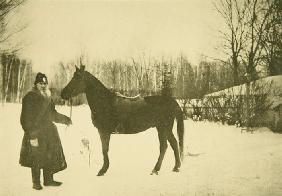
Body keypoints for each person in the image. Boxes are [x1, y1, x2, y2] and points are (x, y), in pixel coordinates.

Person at [19, 72, 72, 190]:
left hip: (49, 132)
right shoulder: (30, 96)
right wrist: (32, 135)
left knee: (49, 155)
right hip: (35, 132)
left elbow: (52, 114)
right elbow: (25, 118)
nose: (43, 85)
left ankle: (48, 180)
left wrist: (65, 119)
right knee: (36, 156)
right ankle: (36, 182)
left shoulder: (48, 96)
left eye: (45, 83)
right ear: (36, 84)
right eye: (40, 83)